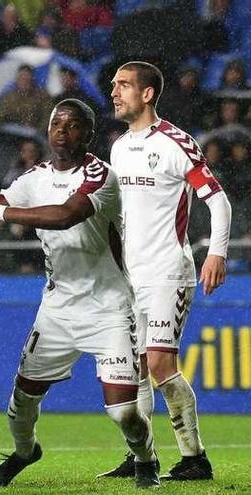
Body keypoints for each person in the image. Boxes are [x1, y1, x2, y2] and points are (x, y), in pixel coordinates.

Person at [0, 99, 160, 489]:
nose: (62, 132)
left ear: (90, 135)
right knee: (20, 405)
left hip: (109, 307)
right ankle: (25, 452)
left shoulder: (101, 176)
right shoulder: (34, 177)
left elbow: (65, 215)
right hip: (58, 308)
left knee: (124, 414)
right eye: (56, 124)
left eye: (73, 125)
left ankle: (146, 458)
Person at [99, 61, 231, 481]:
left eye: (123, 85)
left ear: (148, 93)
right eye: (114, 85)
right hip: (130, 277)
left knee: (158, 363)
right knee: (132, 368)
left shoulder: (177, 143)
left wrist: (217, 253)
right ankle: (142, 455)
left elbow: (218, 201)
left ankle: (195, 458)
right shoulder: (119, 147)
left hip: (168, 272)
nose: (114, 91)